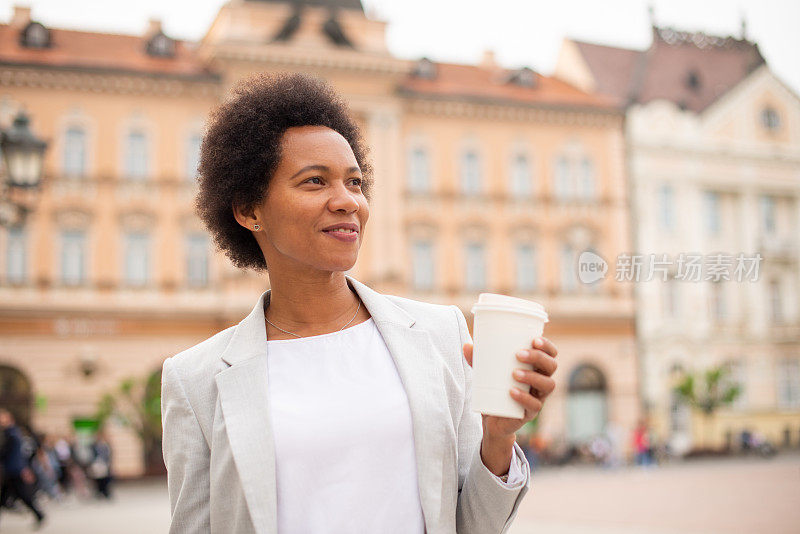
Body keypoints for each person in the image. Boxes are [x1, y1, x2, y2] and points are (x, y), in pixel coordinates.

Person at [161, 71, 560, 534]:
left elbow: (473, 526)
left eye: (354, 182)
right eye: (314, 181)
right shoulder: (195, 381)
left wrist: (498, 437)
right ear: (250, 210)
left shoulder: (441, 336)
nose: (348, 201)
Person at [0, 410, 45, 529]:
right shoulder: (14, 433)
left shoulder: (11, 434)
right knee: (3, 497)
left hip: (14, 470)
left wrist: (25, 468)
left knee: (23, 495)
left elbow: (6, 453)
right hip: (13, 470)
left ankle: (39, 515)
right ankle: (39, 515)